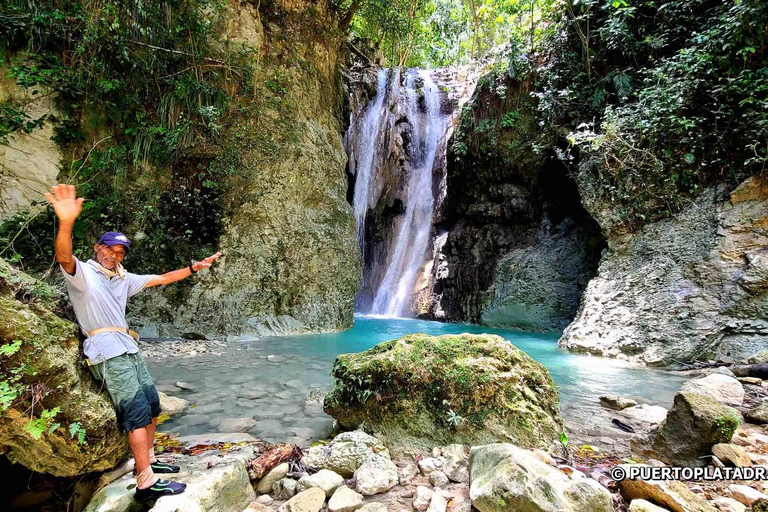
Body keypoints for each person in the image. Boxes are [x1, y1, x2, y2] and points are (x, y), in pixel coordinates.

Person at [45, 184, 222, 502]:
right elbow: (63, 256)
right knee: (136, 412)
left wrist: (195, 267)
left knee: (152, 405)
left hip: (128, 348)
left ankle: (151, 461)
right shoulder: (83, 275)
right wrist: (66, 220)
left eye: (121, 251)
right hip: (107, 352)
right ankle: (144, 482)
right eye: (110, 249)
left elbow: (163, 278)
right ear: (98, 248)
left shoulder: (123, 279)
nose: (115, 254)